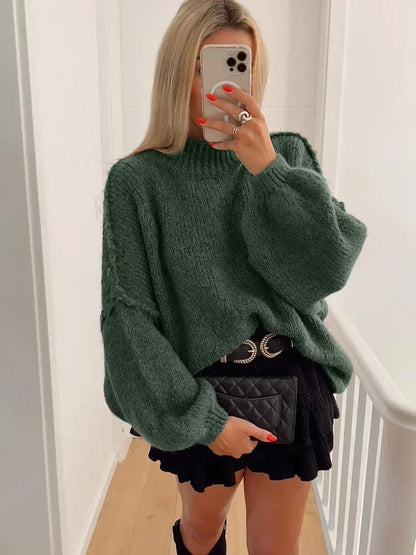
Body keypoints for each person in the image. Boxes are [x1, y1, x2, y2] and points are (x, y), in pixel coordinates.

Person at [100, 1, 367, 553]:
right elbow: (129, 318)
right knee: (202, 531)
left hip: (291, 378)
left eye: (233, 64)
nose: (216, 83)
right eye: (201, 65)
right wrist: (202, 419)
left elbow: (327, 268)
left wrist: (268, 171)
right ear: (177, 71)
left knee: (276, 547)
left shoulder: (285, 156)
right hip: (200, 387)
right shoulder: (137, 180)